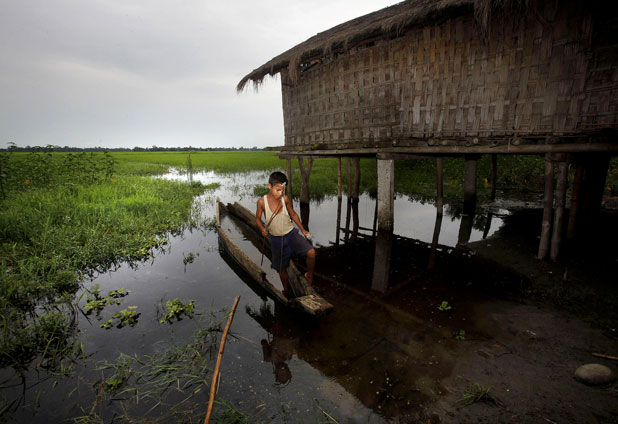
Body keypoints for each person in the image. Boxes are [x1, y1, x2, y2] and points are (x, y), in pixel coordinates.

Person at [255, 171, 315, 297]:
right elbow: (257, 219)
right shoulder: (262, 202)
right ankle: (286, 290)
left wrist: (303, 229)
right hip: (276, 239)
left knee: (311, 253)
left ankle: (309, 275)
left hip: (291, 234)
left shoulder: (285, 199)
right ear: (269, 187)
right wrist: (261, 228)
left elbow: (293, 214)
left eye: (283, 190)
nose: (280, 193)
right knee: (281, 268)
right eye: (277, 190)